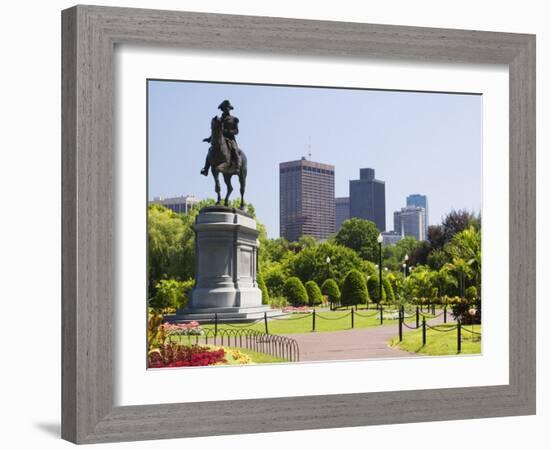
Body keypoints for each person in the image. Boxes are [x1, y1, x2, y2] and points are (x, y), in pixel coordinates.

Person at [201, 100, 241, 176]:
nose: (226, 109)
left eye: (227, 107)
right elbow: (215, 131)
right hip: (220, 139)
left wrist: (228, 131)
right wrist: (209, 138)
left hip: (230, 139)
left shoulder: (234, 119)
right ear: (222, 109)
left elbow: (236, 131)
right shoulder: (219, 120)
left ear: (229, 109)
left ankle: (237, 167)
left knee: (234, 149)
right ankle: (206, 169)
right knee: (210, 150)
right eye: (224, 108)